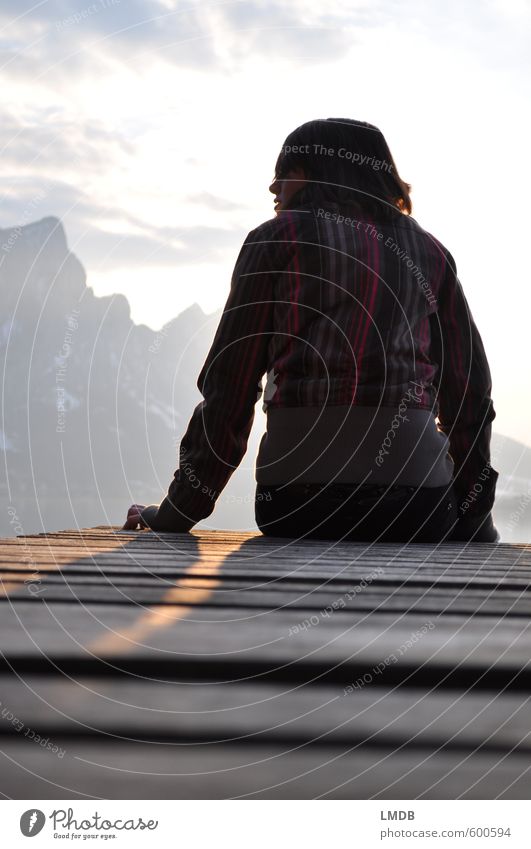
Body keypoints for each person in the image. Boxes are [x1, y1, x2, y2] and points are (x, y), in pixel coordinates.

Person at [124, 118, 499, 543]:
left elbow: (230, 386)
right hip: (416, 508)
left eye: (282, 174)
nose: (273, 189)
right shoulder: (431, 253)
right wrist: (475, 518)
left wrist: (178, 512)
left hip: (295, 505)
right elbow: (468, 391)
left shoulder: (273, 240)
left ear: (309, 176)